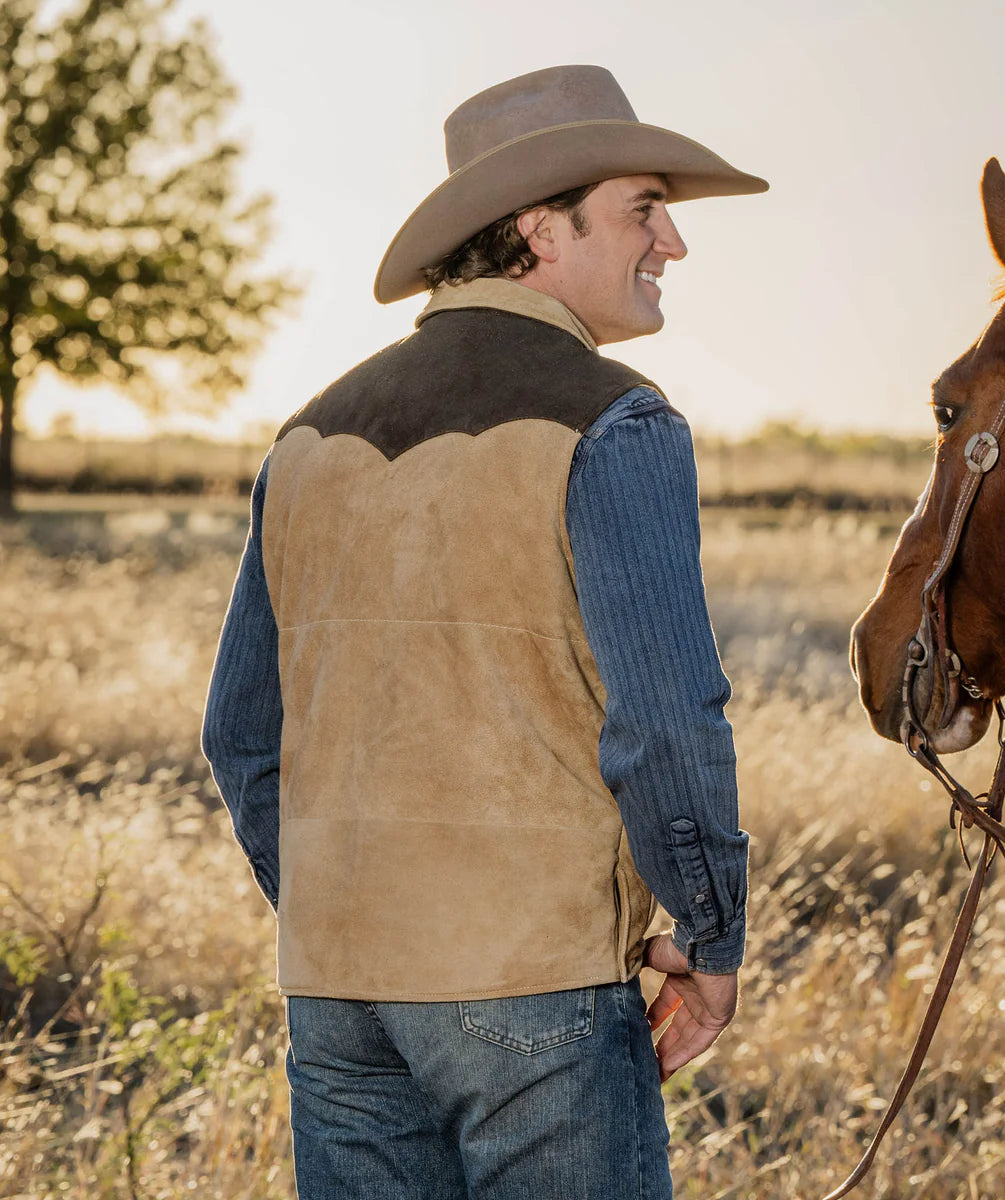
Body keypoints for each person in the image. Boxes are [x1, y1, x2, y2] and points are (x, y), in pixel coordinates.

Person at [202, 64, 767, 1200]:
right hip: (537, 985)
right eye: (643, 208)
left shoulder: (305, 436)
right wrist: (710, 945)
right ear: (536, 232)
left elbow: (239, 737)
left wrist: (346, 914)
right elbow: (664, 723)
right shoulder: (616, 423)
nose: (674, 244)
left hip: (338, 996)